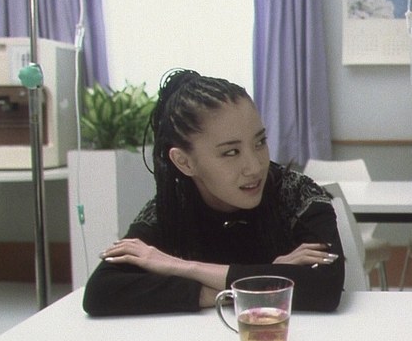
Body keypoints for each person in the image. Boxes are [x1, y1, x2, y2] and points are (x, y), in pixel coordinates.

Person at [83, 69, 344, 316]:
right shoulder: (171, 207)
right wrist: (262, 279)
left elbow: (325, 288)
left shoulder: (298, 194)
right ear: (185, 162)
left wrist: (181, 267)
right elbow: (100, 292)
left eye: (260, 142)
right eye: (231, 152)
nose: (255, 167)